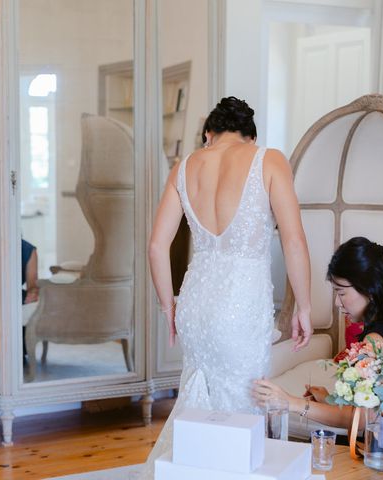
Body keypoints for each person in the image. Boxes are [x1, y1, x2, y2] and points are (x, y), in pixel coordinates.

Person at [140, 96, 312, 477]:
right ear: (250, 136)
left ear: (208, 134)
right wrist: (303, 306)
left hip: (195, 301)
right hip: (240, 304)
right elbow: (294, 240)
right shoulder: (268, 159)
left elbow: (156, 245)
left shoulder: (185, 166)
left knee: (199, 404)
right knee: (243, 409)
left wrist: (169, 306)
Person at [253, 237, 383, 476]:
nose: (336, 302)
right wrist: (330, 399)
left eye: (341, 292)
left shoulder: (374, 341)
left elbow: (361, 419)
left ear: (369, 290)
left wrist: (291, 402)